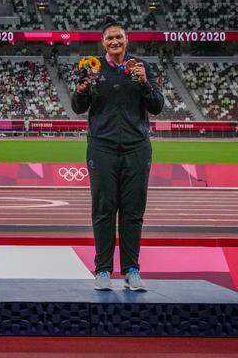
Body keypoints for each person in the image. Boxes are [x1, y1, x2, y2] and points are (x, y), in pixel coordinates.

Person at [72, 20, 164, 292]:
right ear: (103, 42)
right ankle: (102, 270)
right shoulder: (93, 68)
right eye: (110, 38)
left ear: (126, 40)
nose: (115, 42)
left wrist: (144, 83)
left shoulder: (141, 67)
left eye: (119, 37)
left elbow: (157, 106)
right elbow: (78, 107)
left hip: (137, 147)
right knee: (103, 210)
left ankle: (131, 270)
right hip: (102, 147)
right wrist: (82, 89)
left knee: (133, 211)